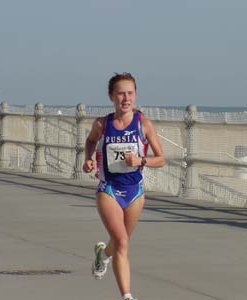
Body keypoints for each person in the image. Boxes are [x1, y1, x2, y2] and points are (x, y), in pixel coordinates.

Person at [83, 73, 165, 300]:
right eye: (121, 93)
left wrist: (141, 161)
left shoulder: (144, 124)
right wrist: (88, 159)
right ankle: (127, 296)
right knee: (121, 242)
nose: (126, 98)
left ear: (135, 95)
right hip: (108, 190)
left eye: (130, 93)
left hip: (135, 193)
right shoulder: (102, 124)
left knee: (121, 243)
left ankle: (102, 254)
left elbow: (161, 159)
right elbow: (90, 141)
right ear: (111, 96)